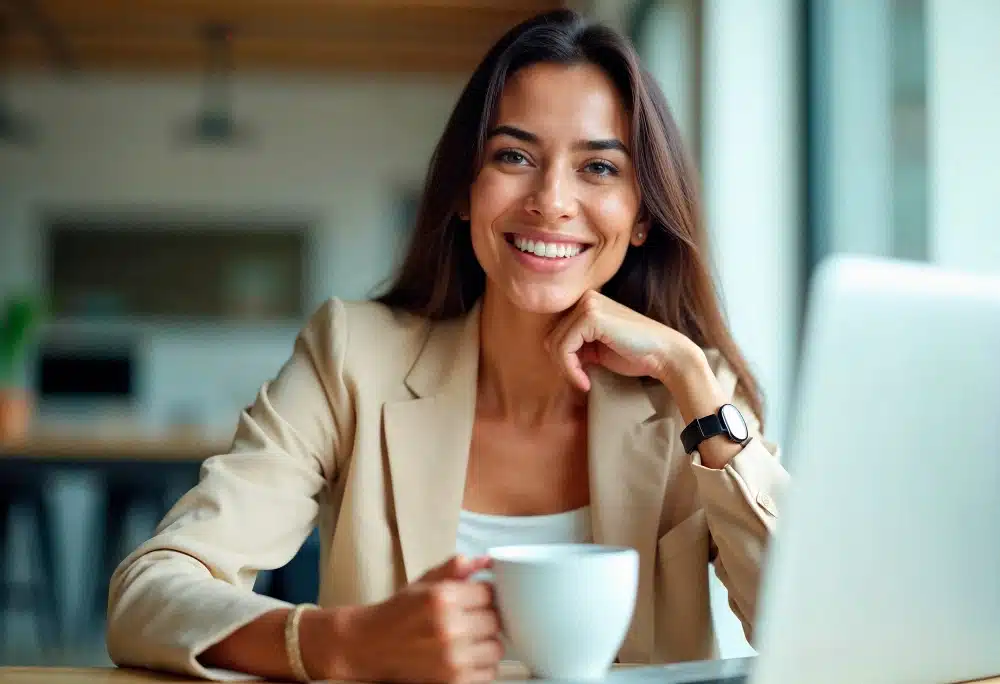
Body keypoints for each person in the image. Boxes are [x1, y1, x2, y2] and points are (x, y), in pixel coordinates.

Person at [106, 8, 788, 684]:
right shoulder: (353, 359)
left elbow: (807, 624)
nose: (551, 201)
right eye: (514, 156)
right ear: (466, 190)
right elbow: (150, 592)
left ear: (641, 217)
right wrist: (343, 642)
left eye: (598, 168)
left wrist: (694, 383)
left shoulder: (693, 396)